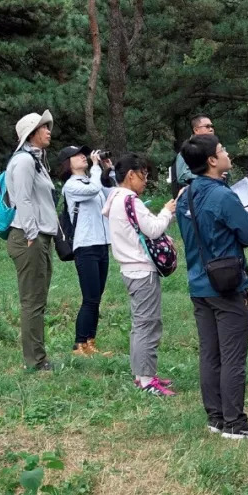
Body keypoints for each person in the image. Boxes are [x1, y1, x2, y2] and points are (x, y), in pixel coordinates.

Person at [177, 134, 248, 439]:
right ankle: (234, 422)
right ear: (212, 161)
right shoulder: (223, 196)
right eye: (222, 149)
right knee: (232, 356)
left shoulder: (185, 196)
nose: (227, 152)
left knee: (210, 353)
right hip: (227, 286)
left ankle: (215, 417)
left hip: (198, 283)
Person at [103, 153, 178, 396]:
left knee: (140, 324)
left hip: (129, 269)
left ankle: (141, 374)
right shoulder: (130, 200)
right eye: (143, 175)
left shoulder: (113, 197)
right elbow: (154, 229)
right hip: (141, 270)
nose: (146, 180)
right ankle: (147, 380)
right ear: (131, 175)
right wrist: (167, 211)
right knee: (148, 324)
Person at [6, 110, 58, 371]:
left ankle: (38, 356)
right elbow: (23, 200)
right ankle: (35, 361)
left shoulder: (36, 161)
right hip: (30, 238)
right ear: (31, 133)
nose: (49, 131)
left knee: (38, 299)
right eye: (43, 128)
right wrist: (30, 234)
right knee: (32, 301)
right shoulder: (24, 161)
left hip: (39, 237)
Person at [58, 145, 114, 357]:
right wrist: (96, 167)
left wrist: (109, 171)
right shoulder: (71, 186)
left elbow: (111, 194)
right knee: (90, 298)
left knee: (97, 297)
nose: (83, 156)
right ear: (67, 163)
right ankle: (78, 344)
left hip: (101, 244)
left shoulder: (93, 180)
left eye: (84, 154)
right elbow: (93, 190)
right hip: (85, 246)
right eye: (77, 155)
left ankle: (90, 342)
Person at [172, 115, 215, 197]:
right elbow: (182, 176)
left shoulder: (211, 149)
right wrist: (210, 175)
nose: (211, 129)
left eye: (212, 126)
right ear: (196, 130)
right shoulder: (187, 150)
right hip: (191, 200)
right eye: (207, 126)